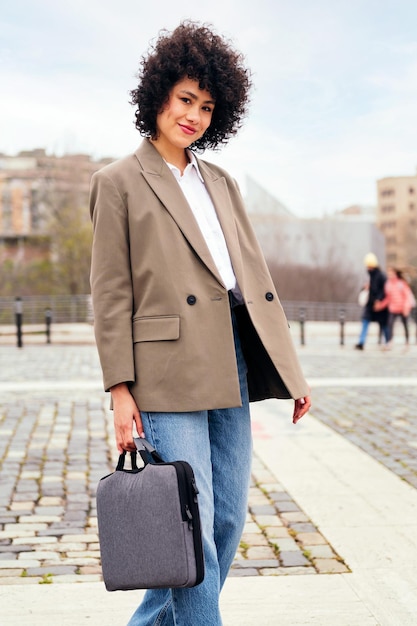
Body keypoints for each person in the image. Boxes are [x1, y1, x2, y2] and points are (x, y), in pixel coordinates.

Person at [90, 21, 311, 626]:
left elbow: (254, 281)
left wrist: (288, 371)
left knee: (224, 520)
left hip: (232, 361)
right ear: (159, 94)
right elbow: (110, 293)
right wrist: (119, 390)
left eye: (208, 106)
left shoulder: (222, 182)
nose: (194, 115)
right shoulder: (117, 183)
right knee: (189, 525)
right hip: (165, 370)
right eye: (186, 99)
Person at [355, 252, 389, 350]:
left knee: (384, 324)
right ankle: (361, 342)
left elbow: (384, 290)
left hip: (380, 305)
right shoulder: (371, 276)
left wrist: (379, 300)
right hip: (370, 304)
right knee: (365, 321)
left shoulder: (381, 276)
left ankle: (388, 341)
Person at [374, 267, 415, 348]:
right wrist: (381, 305)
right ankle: (390, 341)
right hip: (393, 308)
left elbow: (407, 296)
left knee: (405, 325)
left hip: (402, 307)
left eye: (391, 273)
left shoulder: (401, 283)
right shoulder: (388, 284)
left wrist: (406, 307)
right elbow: (388, 298)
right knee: (390, 324)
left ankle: (407, 342)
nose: (390, 275)